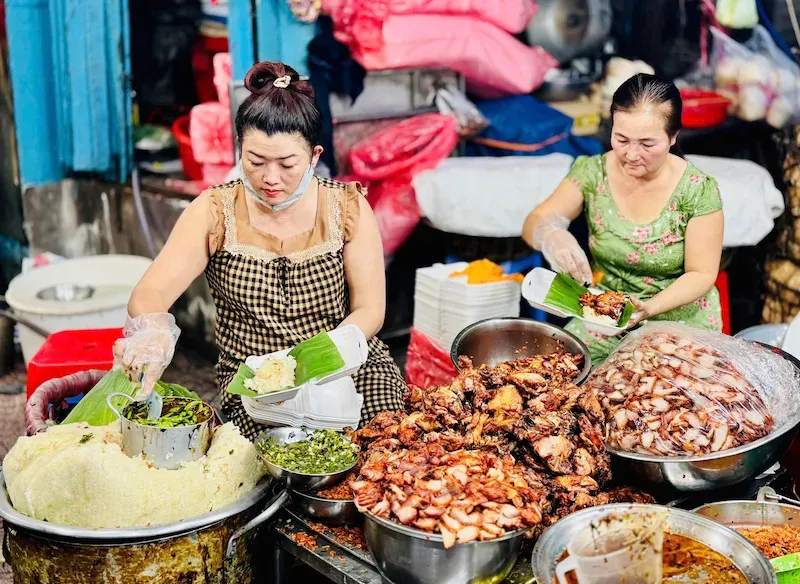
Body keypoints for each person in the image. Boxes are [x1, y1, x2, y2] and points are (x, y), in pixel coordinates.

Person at [114, 61, 407, 440]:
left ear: (315, 156)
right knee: (271, 467)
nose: (271, 178)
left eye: (287, 164)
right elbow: (150, 292)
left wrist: (322, 363)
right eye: (255, 161)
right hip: (256, 386)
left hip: (346, 367)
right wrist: (151, 332)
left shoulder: (346, 208)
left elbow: (370, 309)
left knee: (388, 445)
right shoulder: (214, 210)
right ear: (240, 149)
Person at [522, 73, 724, 362]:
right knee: (559, 378)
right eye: (621, 139)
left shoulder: (697, 190)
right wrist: (551, 234)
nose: (631, 154)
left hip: (678, 319)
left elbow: (702, 273)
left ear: (673, 136)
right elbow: (535, 221)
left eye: (647, 144)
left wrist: (648, 308)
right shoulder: (593, 172)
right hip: (603, 318)